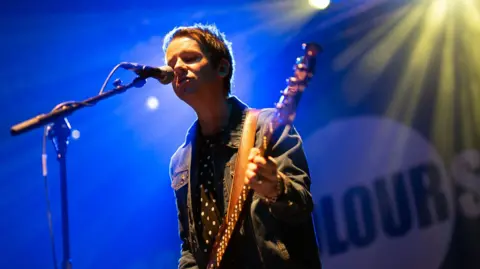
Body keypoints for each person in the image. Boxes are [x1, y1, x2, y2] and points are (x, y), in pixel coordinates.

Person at [164, 23, 322, 269]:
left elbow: (302, 207)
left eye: (190, 58)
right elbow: (190, 247)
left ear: (222, 67)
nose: (178, 68)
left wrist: (275, 187)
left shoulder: (267, 126)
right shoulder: (181, 160)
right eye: (171, 64)